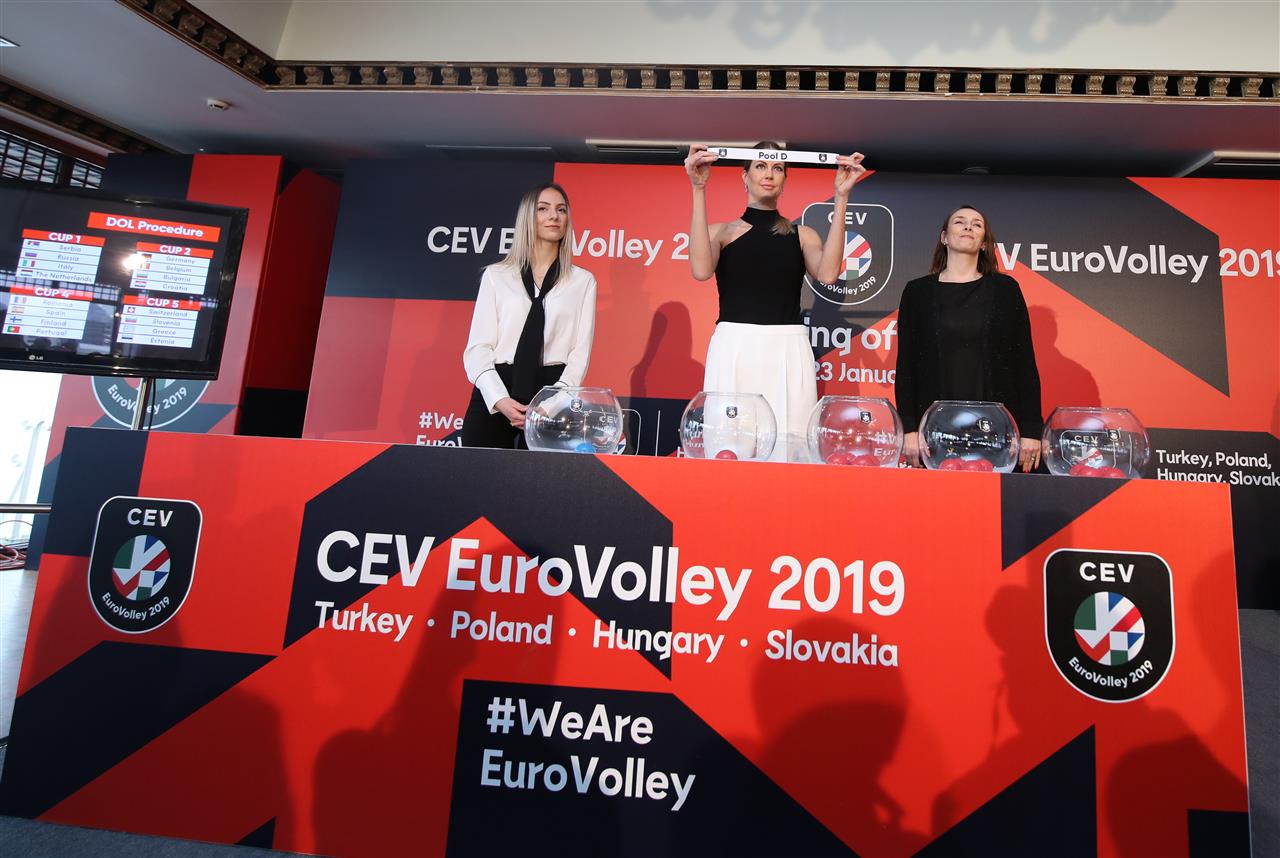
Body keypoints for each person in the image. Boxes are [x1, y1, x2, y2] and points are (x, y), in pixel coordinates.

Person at [684, 141, 866, 461]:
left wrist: (842, 196)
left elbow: (827, 274)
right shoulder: (720, 232)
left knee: (790, 448)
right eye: (760, 166)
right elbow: (700, 270)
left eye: (777, 168)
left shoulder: (803, 235)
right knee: (728, 446)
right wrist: (698, 188)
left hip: (787, 349)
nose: (769, 174)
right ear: (745, 176)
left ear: (784, 180)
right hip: (734, 348)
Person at [894, 205, 1043, 471]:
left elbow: (1024, 362)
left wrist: (1031, 430)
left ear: (984, 242)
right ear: (944, 237)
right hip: (935, 432)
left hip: (997, 431)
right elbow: (906, 365)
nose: (968, 227)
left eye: (977, 224)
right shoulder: (917, 292)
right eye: (960, 221)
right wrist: (909, 429)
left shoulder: (1006, 290)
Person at [461, 183, 597, 449]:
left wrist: (551, 404)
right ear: (527, 217)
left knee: (540, 476)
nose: (554, 216)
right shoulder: (496, 276)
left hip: (551, 394)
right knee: (477, 473)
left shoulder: (583, 281)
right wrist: (498, 398)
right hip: (497, 387)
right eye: (543, 209)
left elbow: (579, 356)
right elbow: (478, 348)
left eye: (561, 210)